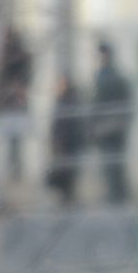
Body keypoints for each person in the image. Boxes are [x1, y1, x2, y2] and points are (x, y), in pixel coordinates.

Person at [91, 39, 134, 202]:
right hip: (113, 126)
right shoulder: (113, 76)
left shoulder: (106, 77)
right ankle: (117, 193)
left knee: (112, 163)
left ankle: (116, 194)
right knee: (114, 163)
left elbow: (98, 103)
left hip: (108, 127)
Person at [46, 75, 84, 204]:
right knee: (62, 170)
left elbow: (67, 124)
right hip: (61, 142)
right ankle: (65, 197)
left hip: (67, 142)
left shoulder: (69, 101)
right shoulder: (61, 101)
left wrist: (60, 140)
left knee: (67, 171)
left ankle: (68, 197)